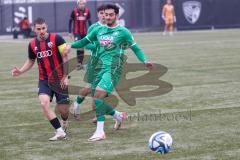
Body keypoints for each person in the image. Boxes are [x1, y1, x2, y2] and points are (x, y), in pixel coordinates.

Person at [65, 4, 153, 141]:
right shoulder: (98, 29)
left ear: (116, 15)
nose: (107, 17)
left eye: (111, 15)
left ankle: (100, 132)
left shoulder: (123, 32)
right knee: (96, 100)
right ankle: (118, 115)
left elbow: (136, 48)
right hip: (98, 67)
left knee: (98, 95)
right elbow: (84, 41)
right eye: (105, 14)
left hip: (113, 69)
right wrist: (70, 45)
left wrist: (144, 61)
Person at [11, 17, 70, 141]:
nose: (41, 31)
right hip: (44, 80)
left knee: (63, 110)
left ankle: (64, 122)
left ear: (46, 27)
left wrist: (65, 76)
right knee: (44, 103)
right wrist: (20, 71)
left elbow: (65, 57)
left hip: (59, 79)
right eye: (38, 29)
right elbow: (31, 60)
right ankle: (59, 131)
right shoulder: (32, 44)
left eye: (43, 28)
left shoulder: (57, 38)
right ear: (34, 29)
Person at [72, 4, 106, 119]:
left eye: (105, 13)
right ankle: (77, 103)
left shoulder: (111, 28)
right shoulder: (93, 28)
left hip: (107, 62)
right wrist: (98, 45)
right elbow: (87, 45)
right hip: (95, 62)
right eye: (101, 13)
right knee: (91, 87)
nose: (104, 16)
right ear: (97, 14)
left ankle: (96, 114)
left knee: (100, 89)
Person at [69, 0, 92, 70]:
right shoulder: (74, 11)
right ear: (78, 4)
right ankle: (79, 63)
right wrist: (70, 32)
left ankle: (81, 63)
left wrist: (91, 31)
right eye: (80, 4)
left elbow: (90, 22)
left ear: (85, 4)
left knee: (84, 47)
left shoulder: (87, 11)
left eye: (83, 4)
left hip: (84, 33)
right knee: (79, 46)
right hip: (77, 32)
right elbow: (70, 21)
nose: (81, 5)